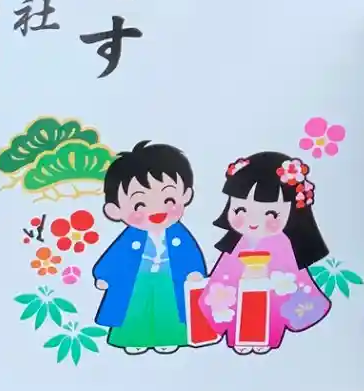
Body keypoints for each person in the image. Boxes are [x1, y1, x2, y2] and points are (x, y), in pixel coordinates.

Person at [200, 152, 331, 354]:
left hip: (271, 293)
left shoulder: (283, 244)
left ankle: (269, 338)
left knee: (270, 314)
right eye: (240, 210)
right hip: (239, 294)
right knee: (233, 310)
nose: (253, 221)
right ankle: (237, 338)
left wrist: (276, 283)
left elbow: (292, 279)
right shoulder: (237, 243)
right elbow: (224, 276)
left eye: (271, 213)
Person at [91, 141, 207, 354]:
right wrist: (104, 275)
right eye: (140, 205)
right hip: (137, 281)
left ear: (186, 195)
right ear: (115, 210)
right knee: (135, 309)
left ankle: (169, 337)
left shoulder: (179, 234)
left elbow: (190, 254)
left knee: (169, 309)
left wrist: (194, 271)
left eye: (168, 199)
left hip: (169, 279)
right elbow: (116, 256)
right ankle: (134, 338)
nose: (156, 210)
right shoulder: (130, 237)